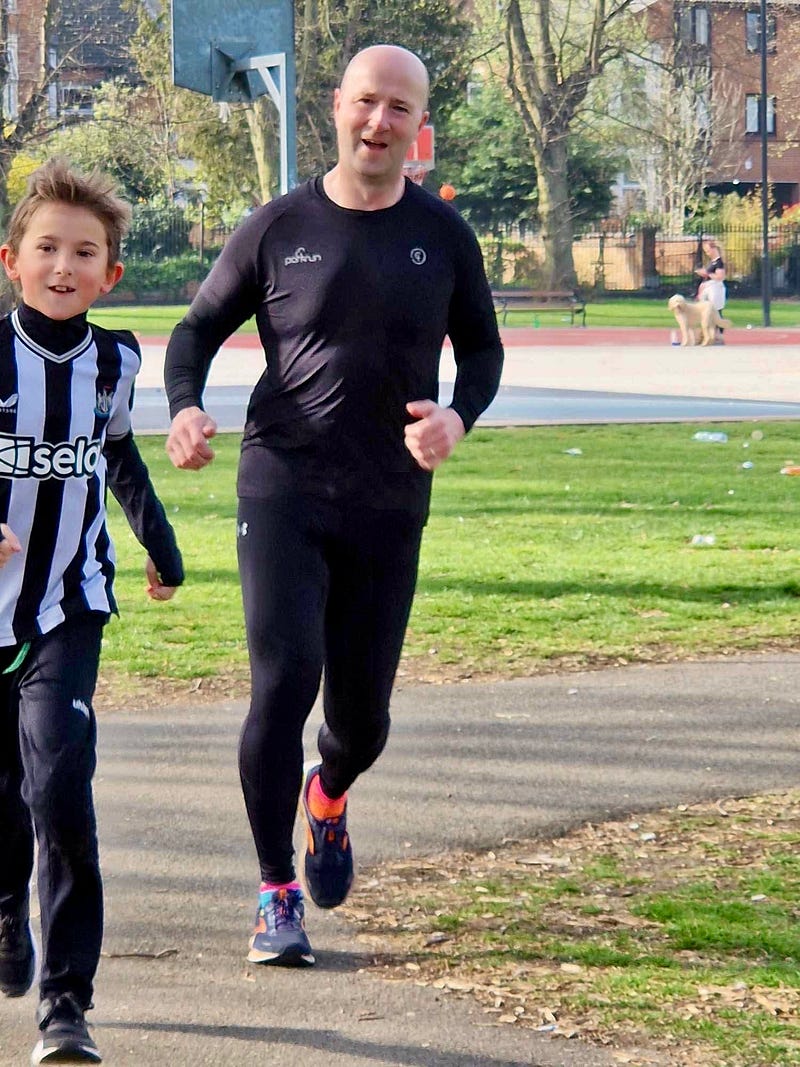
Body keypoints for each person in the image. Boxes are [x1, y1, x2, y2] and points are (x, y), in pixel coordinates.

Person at [164, 43, 503, 968]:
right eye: (366, 101)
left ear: (418, 124)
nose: (378, 121)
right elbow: (195, 330)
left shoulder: (443, 235)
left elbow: (482, 350)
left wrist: (458, 416)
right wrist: (186, 406)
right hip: (283, 483)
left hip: (389, 498)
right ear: (337, 106)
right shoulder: (279, 226)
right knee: (284, 680)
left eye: (399, 108)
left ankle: (330, 793)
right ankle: (274, 889)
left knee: (363, 720)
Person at [0, 159, 184, 1064]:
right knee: (6, 794)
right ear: (12, 261)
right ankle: (8, 907)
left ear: (109, 273)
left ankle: (66, 1007)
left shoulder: (115, 360)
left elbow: (118, 454)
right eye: (47, 248)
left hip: (69, 603)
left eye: (84, 253)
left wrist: (159, 541)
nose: (63, 266)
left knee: (61, 785)